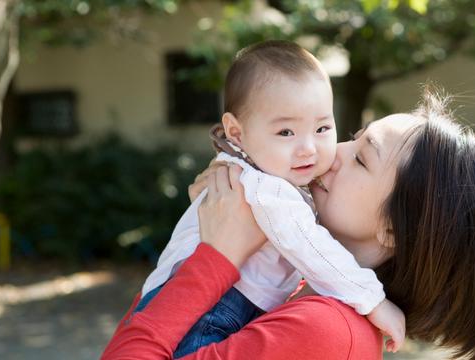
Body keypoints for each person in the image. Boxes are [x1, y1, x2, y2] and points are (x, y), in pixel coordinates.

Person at [101, 87, 475, 360]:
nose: (332, 151)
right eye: (352, 136)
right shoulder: (297, 283)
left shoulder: (327, 331)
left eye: (361, 158)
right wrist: (197, 238)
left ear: (394, 229)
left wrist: (215, 258)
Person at [134, 40, 405, 358]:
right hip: (212, 308)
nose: (309, 148)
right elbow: (310, 245)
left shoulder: (254, 169)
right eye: (286, 133)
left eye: (322, 128)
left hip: (195, 299)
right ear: (236, 133)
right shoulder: (268, 188)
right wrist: (373, 299)